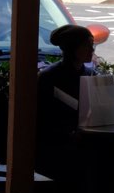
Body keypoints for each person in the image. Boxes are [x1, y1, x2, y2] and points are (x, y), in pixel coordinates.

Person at [36, 24, 96, 184]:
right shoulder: (48, 78)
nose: (92, 50)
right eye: (87, 45)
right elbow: (42, 118)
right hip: (56, 150)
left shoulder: (91, 75)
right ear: (72, 48)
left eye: (93, 44)